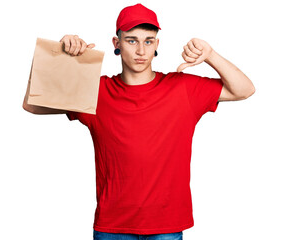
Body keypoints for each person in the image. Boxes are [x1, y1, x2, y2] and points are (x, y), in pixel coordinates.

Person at [23, 3, 255, 240]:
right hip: (113, 226)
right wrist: (58, 55)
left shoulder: (182, 87)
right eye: (132, 40)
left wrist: (211, 55)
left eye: (148, 40)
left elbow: (244, 90)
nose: (141, 50)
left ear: (157, 45)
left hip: (166, 225)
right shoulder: (96, 91)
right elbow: (32, 104)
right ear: (117, 44)